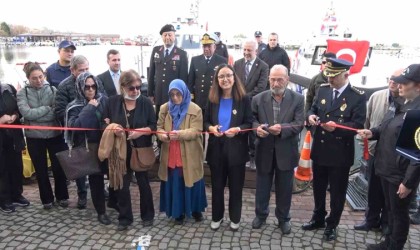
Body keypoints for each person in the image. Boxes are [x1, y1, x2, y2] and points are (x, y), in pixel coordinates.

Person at [304, 58, 366, 241]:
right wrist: (312, 116)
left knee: (337, 192)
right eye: (328, 75)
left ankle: (332, 224)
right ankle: (318, 217)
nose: (330, 79)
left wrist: (337, 128)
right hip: (321, 149)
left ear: (346, 74)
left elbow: (357, 124)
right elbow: (312, 108)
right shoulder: (323, 89)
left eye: (334, 76)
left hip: (340, 152)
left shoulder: (357, 96)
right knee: (318, 187)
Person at [358, 64, 420, 250]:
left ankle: (395, 246)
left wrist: (408, 183)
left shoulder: (417, 113)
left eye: (404, 83)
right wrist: (372, 132)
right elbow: (386, 128)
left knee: (399, 214)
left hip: (399, 174)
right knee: (391, 211)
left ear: (418, 86)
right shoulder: (401, 104)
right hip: (385, 168)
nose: (399, 86)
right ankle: (388, 242)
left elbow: (417, 154)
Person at [251, 64, 304, 234]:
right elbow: (251, 120)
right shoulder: (258, 99)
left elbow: (299, 124)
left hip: (286, 151)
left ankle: (283, 218)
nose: (275, 83)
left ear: (287, 80)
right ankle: (261, 215)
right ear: (269, 80)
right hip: (264, 149)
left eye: (279, 79)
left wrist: (282, 129)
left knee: (285, 188)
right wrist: (257, 128)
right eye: (273, 79)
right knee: (262, 186)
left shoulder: (298, 99)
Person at [102, 69, 155, 231]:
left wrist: (140, 132)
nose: (136, 91)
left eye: (138, 87)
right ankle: (125, 218)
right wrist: (113, 128)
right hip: (120, 150)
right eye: (132, 88)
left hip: (140, 149)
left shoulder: (145, 102)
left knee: (144, 184)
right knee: (122, 185)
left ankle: (147, 215)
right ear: (123, 86)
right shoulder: (112, 102)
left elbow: (154, 126)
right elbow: (104, 124)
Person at [353, 68, 404, 234]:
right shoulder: (377, 97)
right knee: (373, 189)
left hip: (396, 158)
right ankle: (371, 220)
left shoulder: (407, 103)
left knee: (390, 194)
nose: (392, 83)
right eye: (390, 79)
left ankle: (386, 223)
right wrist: (365, 140)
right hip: (375, 152)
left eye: (396, 81)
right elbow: (369, 123)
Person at [204, 64, 253, 230]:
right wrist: (211, 128)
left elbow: (249, 122)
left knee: (236, 187)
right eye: (221, 76)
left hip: (236, 150)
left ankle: (235, 218)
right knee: (217, 187)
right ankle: (217, 217)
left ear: (234, 78)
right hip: (216, 149)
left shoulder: (244, 99)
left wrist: (238, 129)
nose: (225, 79)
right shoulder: (212, 99)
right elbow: (205, 121)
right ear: (217, 80)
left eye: (228, 76)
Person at [55, 55, 104, 209]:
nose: (90, 89)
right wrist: (82, 111)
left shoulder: (94, 81)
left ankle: (100, 193)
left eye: (87, 68)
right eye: (81, 70)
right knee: (81, 165)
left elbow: (101, 101)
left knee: (97, 169)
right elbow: (61, 111)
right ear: (73, 70)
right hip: (79, 133)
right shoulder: (64, 87)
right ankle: (82, 193)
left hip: (95, 135)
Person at [17, 62, 68, 210]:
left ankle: (62, 196)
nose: (38, 81)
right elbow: (26, 113)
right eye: (34, 78)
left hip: (54, 135)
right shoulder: (22, 93)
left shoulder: (53, 90)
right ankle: (47, 199)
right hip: (34, 137)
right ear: (28, 78)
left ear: (44, 75)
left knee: (58, 168)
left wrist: (36, 115)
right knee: (41, 170)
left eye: (40, 77)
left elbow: (56, 110)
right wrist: (46, 108)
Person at [157, 79, 207, 225]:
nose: (175, 98)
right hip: (171, 151)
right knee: (175, 181)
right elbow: (158, 128)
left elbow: (196, 131)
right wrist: (163, 135)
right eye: (172, 95)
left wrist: (179, 134)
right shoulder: (164, 108)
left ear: (184, 93)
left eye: (178, 94)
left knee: (192, 179)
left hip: (189, 153)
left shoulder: (195, 109)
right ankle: (177, 212)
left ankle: (196, 209)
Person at [65, 72, 111, 225]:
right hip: (88, 147)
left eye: (93, 86)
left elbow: (112, 117)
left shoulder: (104, 100)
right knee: (96, 180)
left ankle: (115, 202)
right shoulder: (74, 106)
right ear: (80, 88)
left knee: (114, 175)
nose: (91, 90)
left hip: (106, 144)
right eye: (87, 87)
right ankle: (101, 211)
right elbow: (75, 127)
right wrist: (89, 108)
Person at [234, 40, 269, 169]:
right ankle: (241, 156)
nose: (246, 53)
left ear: (256, 51)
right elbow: (234, 83)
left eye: (249, 50)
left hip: (255, 104)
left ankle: (253, 157)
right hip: (239, 104)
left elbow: (261, 87)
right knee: (240, 129)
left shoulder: (263, 66)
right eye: (244, 50)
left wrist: (244, 96)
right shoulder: (237, 64)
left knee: (253, 131)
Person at [148, 24, 188, 118]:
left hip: (174, 94)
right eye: (165, 35)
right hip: (159, 93)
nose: (167, 37)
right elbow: (151, 73)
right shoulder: (156, 51)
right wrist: (150, 93)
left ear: (174, 36)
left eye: (170, 35)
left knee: (173, 120)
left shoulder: (181, 53)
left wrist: (182, 95)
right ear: (162, 37)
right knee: (159, 119)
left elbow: (183, 77)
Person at [0, 82, 28, 213]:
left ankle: (17, 194)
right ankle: (4, 199)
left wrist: (15, 116)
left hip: (13, 135)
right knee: (2, 168)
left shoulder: (8, 88)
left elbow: (19, 109)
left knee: (16, 166)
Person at [188, 33, 227, 115]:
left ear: (214, 47)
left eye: (209, 46)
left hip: (215, 98)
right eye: (204, 46)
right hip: (199, 99)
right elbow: (190, 81)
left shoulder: (222, 61)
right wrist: (191, 98)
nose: (206, 49)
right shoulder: (195, 60)